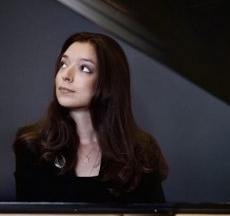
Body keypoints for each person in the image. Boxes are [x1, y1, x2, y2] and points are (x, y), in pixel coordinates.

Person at [13, 32, 168, 203]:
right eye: (64, 64)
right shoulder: (32, 146)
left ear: (109, 82)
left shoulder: (141, 151)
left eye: (84, 68)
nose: (66, 75)